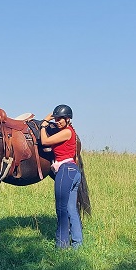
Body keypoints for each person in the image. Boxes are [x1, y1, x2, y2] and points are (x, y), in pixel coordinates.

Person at [39, 104, 83, 249]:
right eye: (56, 118)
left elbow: (44, 141)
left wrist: (44, 123)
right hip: (73, 171)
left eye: (61, 119)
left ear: (68, 119)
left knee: (61, 209)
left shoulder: (67, 132)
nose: (58, 121)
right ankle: (77, 244)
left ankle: (61, 245)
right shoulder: (70, 133)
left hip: (66, 171)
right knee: (71, 209)